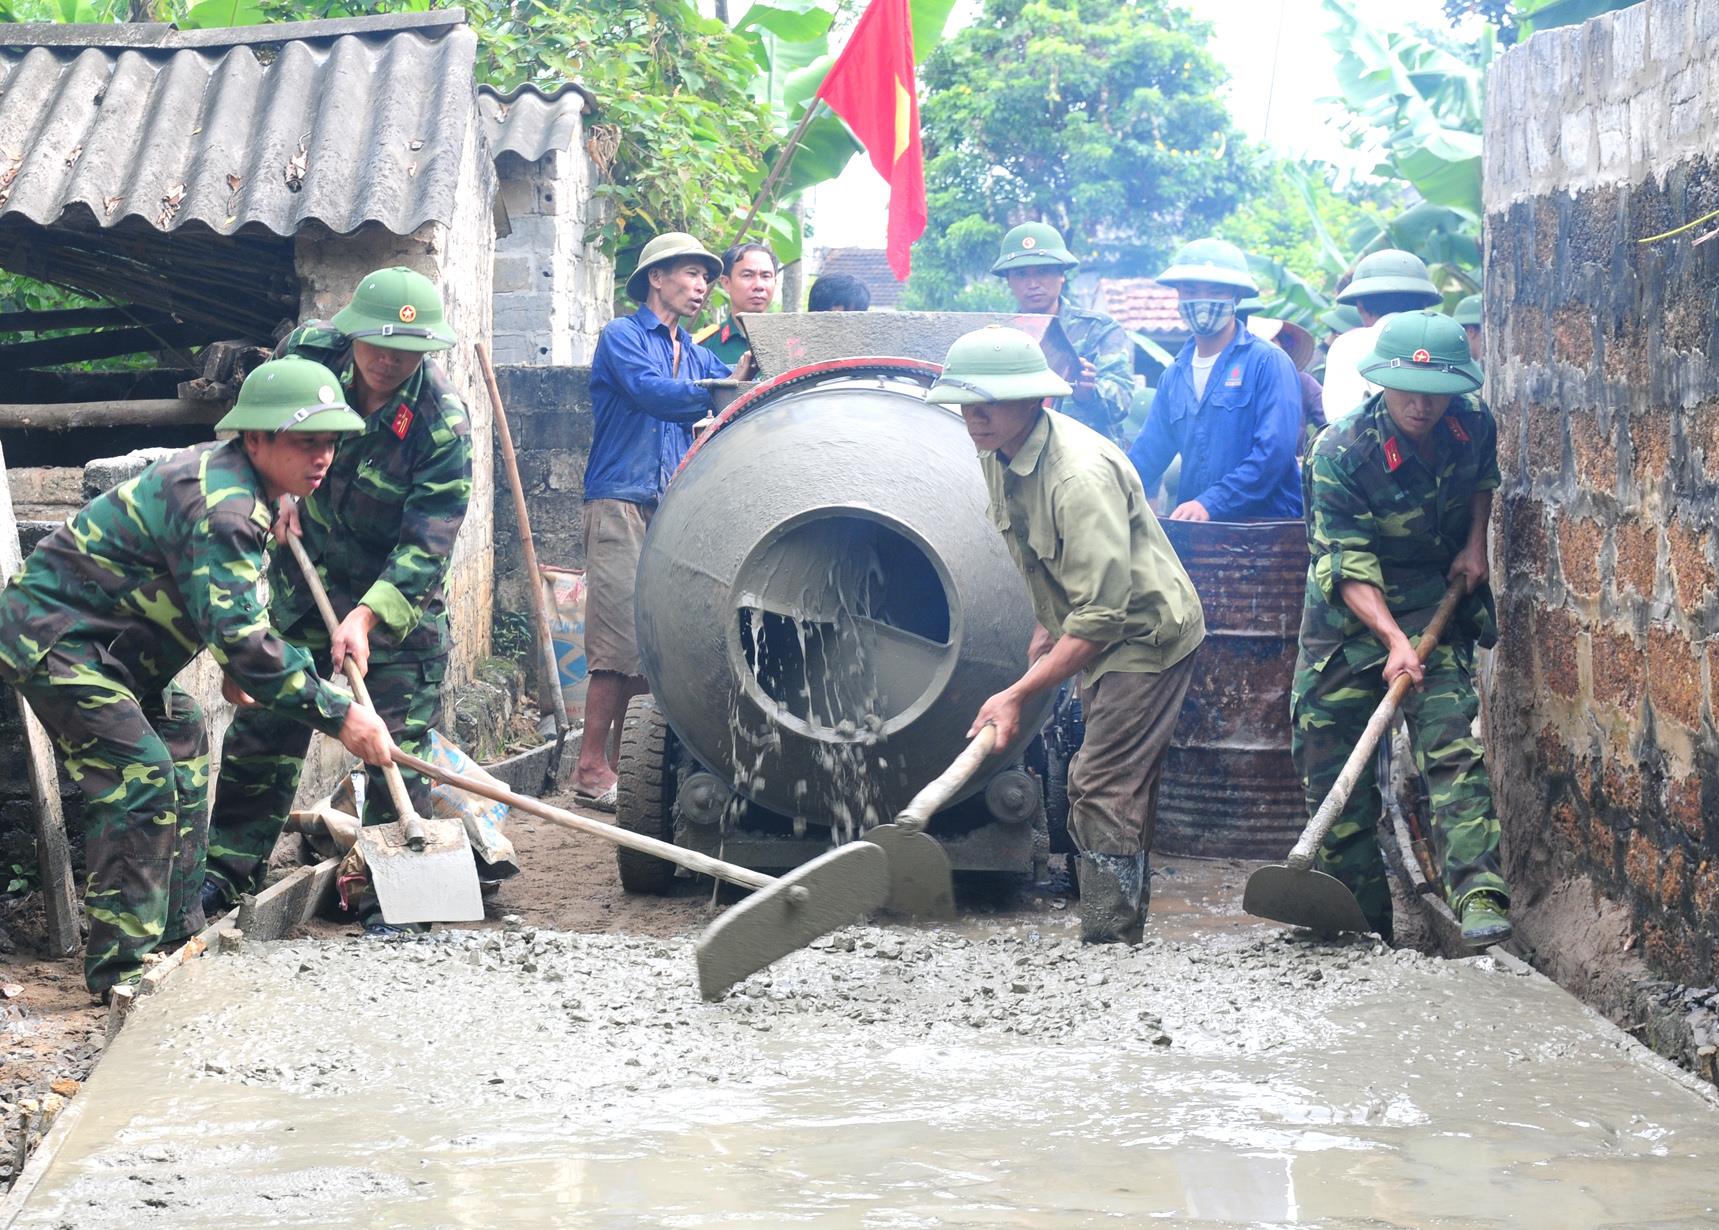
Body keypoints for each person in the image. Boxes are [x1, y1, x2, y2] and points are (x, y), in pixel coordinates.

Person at [0, 358, 395, 997]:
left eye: (330, 442)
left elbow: (225, 607)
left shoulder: (248, 483)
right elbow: (242, 636)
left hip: (113, 644)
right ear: (256, 438)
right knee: (141, 778)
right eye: (306, 442)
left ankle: (175, 934)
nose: (322, 457)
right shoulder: (226, 506)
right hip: (55, 638)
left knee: (183, 732)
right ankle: (121, 975)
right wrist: (341, 713)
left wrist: (239, 661)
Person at [201, 267, 472, 934]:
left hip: (395, 600)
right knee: (266, 725)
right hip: (305, 578)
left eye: (406, 350)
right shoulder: (309, 354)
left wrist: (366, 616)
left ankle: (395, 896)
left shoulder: (440, 425)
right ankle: (226, 876)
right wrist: (278, 493)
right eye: (376, 344)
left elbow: (428, 542)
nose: (387, 361)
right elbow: (259, 434)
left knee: (390, 744)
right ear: (351, 334)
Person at [925, 326, 1205, 944]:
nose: (974, 417)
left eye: (989, 404)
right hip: (1094, 624)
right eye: (966, 403)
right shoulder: (997, 450)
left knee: (1100, 783)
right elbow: (1044, 556)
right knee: (1119, 782)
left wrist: (1017, 693)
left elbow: (1105, 617)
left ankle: (1110, 940)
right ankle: (1124, 926)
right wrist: (1045, 625)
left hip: (1146, 636)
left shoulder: (1078, 477)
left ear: (1035, 399)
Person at [1293, 311, 1511, 948]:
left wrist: (1475, 545)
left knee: (1450, 744)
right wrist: (1393, 642)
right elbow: (1348, 565)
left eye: (1434, 392)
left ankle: (1478, 893)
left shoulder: (1472, 422)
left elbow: (1481, 482)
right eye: (1407, 390)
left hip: (1433, 599)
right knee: (1329, 761)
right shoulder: (1339, 452)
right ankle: (1358, 921)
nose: (1421, 405)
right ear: (1381, 383)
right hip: (1345, 616)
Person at [576, 232, 730, 809]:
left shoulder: (695, 353)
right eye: (690, 273)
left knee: (653, 641)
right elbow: (653, 393)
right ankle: (590, 767)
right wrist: (717, 391)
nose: (701, 285)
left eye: (706, 277)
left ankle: (627, 769)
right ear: (656, 279)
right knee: (617, 641)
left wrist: (742, 373)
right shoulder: (623, 336)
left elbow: (734, 387)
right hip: (619, 499)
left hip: (668, 505)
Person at [1126, 238, 1303, 522]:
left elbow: (1274, 453)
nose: (1202, 300)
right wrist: (1108, 485)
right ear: (1178, 295)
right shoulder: (1174, 376)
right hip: (1199, 533)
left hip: (1266, 530)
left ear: (1237, 296)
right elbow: (1147, 455)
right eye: (1191, 290)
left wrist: (1211, 503)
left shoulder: (1267, 362)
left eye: (1215, 290)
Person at [990, 222, 1134, 441]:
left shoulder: (1098, 330)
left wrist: (1088, 393)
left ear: (1061, 275)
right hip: (1017, 453)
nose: (1033, 283)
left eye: (1043, 271)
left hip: (1084, 453)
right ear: (1009, 280)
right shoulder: (998, 339)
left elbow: (1121, 403)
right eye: (1021, 274)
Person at [1320, 250, 1443, 424]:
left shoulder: (1349, 346)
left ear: (1360, 306)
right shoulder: (1444, 341)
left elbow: (1340, 421)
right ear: (1424, 304)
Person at [1246, 313, 1327, 455]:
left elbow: (1330, 420)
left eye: (1272, 342)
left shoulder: (1302, 382)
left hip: (1293, 463)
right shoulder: (1239, 386)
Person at [694, 241, 776, 376]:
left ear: (775, 282)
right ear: (726, 283)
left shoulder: (792, 343)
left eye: (766, 276)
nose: (759, 285)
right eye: (747, 275)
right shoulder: (703, 346)